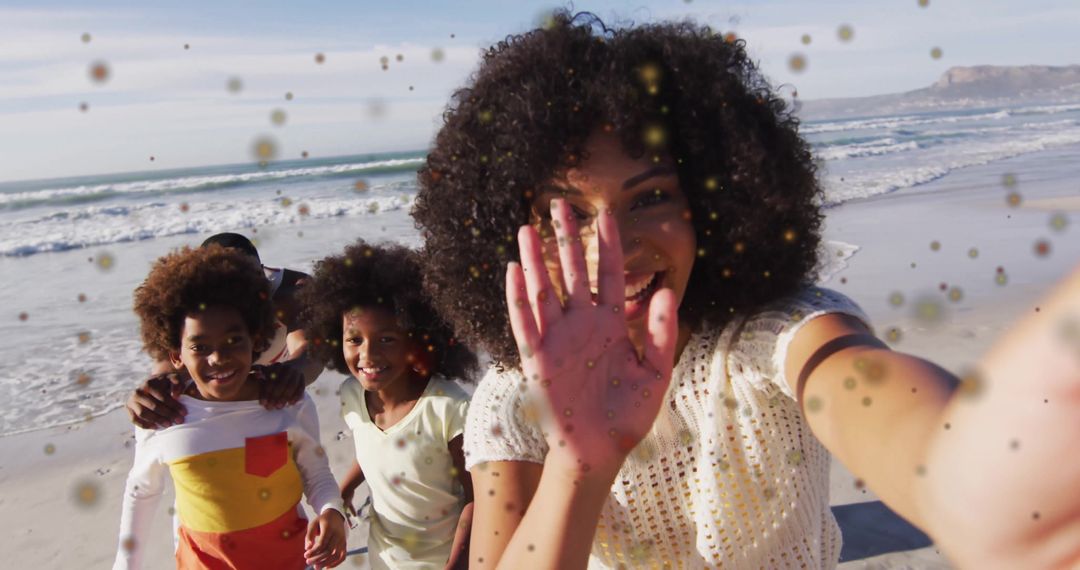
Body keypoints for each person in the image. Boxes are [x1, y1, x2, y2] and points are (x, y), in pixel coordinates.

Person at [411, 12, 1080, 570]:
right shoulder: (509, 397)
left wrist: (962, 475)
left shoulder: (768, 340)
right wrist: (578, 462)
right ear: (508, 232)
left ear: (716, 201)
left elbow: (863, 390)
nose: (609, 246)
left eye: (650, 198)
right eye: (570, 214)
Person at [114, 244, 346, 569]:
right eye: (200, 346)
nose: (218, 357)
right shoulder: (165, 413)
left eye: (234, 340)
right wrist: (126, 564)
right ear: (176, 355)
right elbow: (142, 490)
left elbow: (315, 470)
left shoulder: (285, 401)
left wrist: (332, 511)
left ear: (257, 338)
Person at [298, 240, 479, 570]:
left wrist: (458, 564)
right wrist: (343, 493)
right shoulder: (352, 395)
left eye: (387, 339)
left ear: (418, 339)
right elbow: (376, 451)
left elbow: (477, 499)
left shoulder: (448, 409)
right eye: (355, 339)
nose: (367, 355)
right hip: (383, 558)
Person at [126, 232, 321, 428]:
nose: (242, 293)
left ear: (262, 274)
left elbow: (312, 351)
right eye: (231, 283)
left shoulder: (292, 293)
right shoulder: (189, 308)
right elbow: (168, 366)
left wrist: (290, 374)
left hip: (269, 382)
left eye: (248, 282)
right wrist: (151, 392)